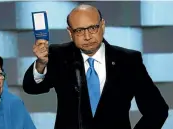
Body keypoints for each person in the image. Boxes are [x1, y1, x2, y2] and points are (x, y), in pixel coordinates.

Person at [23, 4, 169, 129]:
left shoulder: (128, 61)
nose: (87, 36)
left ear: (103, 26)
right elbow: (32, 88)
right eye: (79, 31)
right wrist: (41, 63)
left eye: (93, 28)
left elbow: (157, 110)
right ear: (70, 32)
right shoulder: (58, 55)